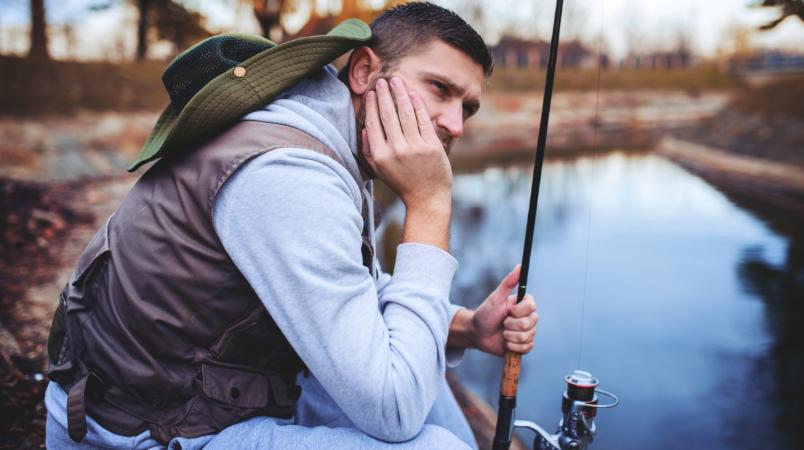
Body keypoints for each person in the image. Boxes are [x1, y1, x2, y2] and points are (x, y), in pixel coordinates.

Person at [44, 3, 538, 449]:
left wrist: (465, 328)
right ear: (364, 71)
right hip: (134, 431)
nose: (455, 124)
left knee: (426, 381)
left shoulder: (329, 135)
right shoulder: (288, 172)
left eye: (467, 107)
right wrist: (430, 204)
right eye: (439, 89)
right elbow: (393, 412)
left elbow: (355, 289)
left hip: (204, 396)